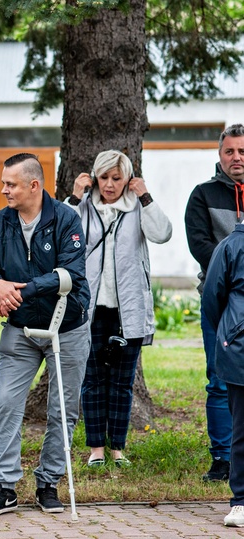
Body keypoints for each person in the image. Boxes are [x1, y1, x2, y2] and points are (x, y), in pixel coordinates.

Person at [0, 153, 90, 515]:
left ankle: (48, 483)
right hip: (20, 330)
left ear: (34, 185)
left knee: (63, 410)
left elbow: (70, 274)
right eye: (3, 183)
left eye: (11, 184)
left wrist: (19, 291)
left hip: (66, 327)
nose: (4, 189)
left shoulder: (66, 218)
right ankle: (5, 486)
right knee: (6, 403)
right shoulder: (1, 221)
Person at [67, 150, 172, 467]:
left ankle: (118, 449)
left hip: (129, 309)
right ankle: (96, 450)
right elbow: (59, 234)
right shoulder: (84, 207)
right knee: (93, 381)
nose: (110, 185)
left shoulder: (137, 208)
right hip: (92, 309)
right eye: (104, 178)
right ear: (95, 177)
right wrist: (74, 196)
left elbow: (162, 233)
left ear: (128, 179)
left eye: (117, 178)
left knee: (122, 384)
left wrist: (147, 197)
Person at [185, 124, 244, 482]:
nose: (237, 158)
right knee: (220, 380)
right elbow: (200, 245)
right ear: (219, 156)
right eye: (230, 152)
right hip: (220, 302)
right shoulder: (202, 194)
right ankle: (222, 459)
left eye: (242, 151)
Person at [202, 219, 244, 527]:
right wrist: (232, 333)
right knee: (241, 428)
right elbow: (212, 299)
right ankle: (241, 501)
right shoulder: (229, 246)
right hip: (240, 349)